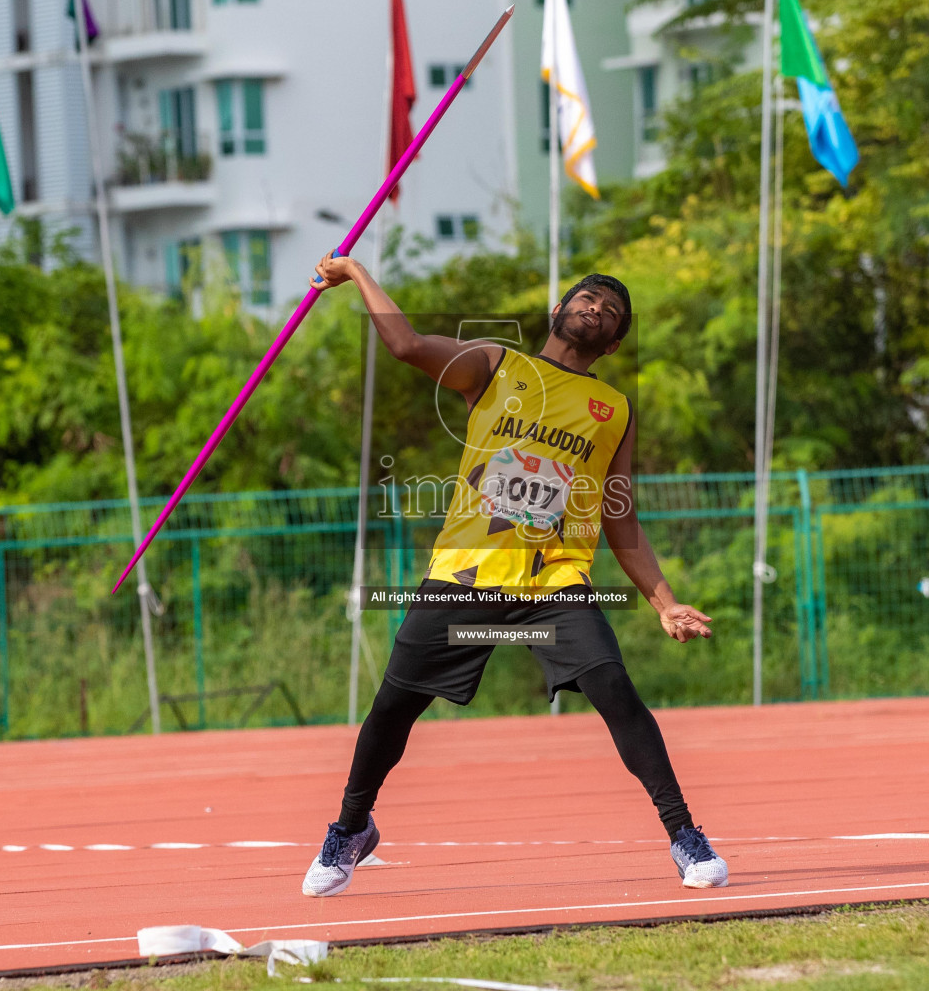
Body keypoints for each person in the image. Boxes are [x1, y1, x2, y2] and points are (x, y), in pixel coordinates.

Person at [301, 253, 727, 896]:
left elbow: (621, 514)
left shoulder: (612, 408)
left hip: (554, 586)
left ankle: (685, 836)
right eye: (587, 299)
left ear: (613, 343)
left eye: (611, 313)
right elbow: (407, 344)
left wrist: (663, 601)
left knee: (616, 691)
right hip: (466, 575)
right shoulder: (497, 365)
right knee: (394, 706)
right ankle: (350, 828)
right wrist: (357, 274)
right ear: (558, 311)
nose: (597, 309)